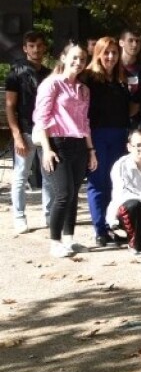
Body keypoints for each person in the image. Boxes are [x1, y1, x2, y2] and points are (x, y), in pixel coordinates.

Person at [33, 43, 94, 258]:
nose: (78, 63)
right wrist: (47, 149)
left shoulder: (83, 89)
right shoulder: (51, 84)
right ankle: (55, 241)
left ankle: (69, 238)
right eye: (75, 58)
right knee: (63, 194)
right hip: (56, 143)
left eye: (83, 59)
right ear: (64, 57)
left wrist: (91, 150)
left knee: (74, 195)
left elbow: (85, 121)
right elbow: (41, 119)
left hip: (78, 144)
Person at [83, 37, 133, 247]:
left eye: (114, 52)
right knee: (98, 183)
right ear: (98, 54)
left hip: (119, 134)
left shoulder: (122, 78)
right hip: (97, 135)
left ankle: (111, 225)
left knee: (115, 182)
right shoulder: (89, 77)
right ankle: (100, 230)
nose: (110, 57)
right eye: (106, 52)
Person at [7, 31, 52, 234]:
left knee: (49, 173)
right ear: (25, 48)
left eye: (39, 45)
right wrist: (16, 135)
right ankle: (19, 216)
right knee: (21, 175)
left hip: (46, 131)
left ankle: (50, 215)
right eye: (31, 46)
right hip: (25, 130)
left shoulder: (50, 73)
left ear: (44, 48)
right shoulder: (15, 73)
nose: (36, 50)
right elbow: (10, 106)